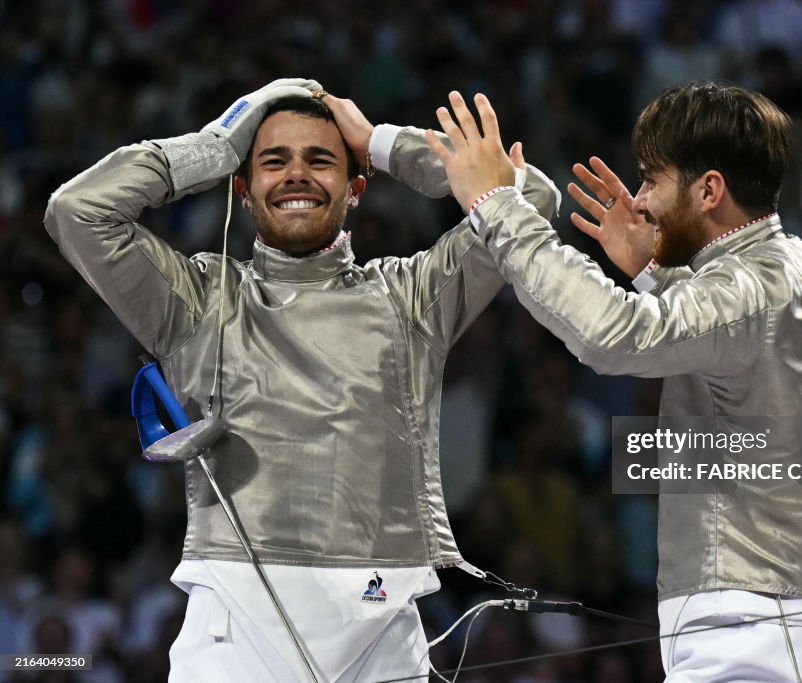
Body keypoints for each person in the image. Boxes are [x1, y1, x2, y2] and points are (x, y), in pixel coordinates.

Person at [44, 79, 559, 682]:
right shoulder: (197, 299)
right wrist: (217, 145)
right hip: (234, 628)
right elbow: (77, 211)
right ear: (242, 189)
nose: (296, 175)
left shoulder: (411, 299)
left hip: (380, 627)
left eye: (320, 160)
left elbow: (531, 201)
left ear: (355, 188)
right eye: (273, 161)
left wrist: (383, 142)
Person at [424, 84, 802, 681]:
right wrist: (657, 273)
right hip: (790, 619)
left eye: (653, 180)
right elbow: (735, 355)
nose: (641, 200)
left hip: (749, 627)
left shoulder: (750, 289)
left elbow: (614, 335)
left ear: (709, 190)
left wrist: (498, 204)